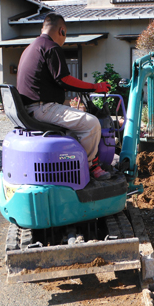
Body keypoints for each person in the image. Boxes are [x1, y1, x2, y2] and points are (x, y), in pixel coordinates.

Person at [17, 12, 111, 180]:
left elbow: (46, 80)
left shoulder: (30, 48)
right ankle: (91, 167)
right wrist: (95, 87)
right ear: (62, 31)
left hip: (30, 108)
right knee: (92, 124)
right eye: (65, 35)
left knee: (76, 130)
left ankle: (77, 165)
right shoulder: (51, 47)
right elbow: (64, 79)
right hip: (42, 108)